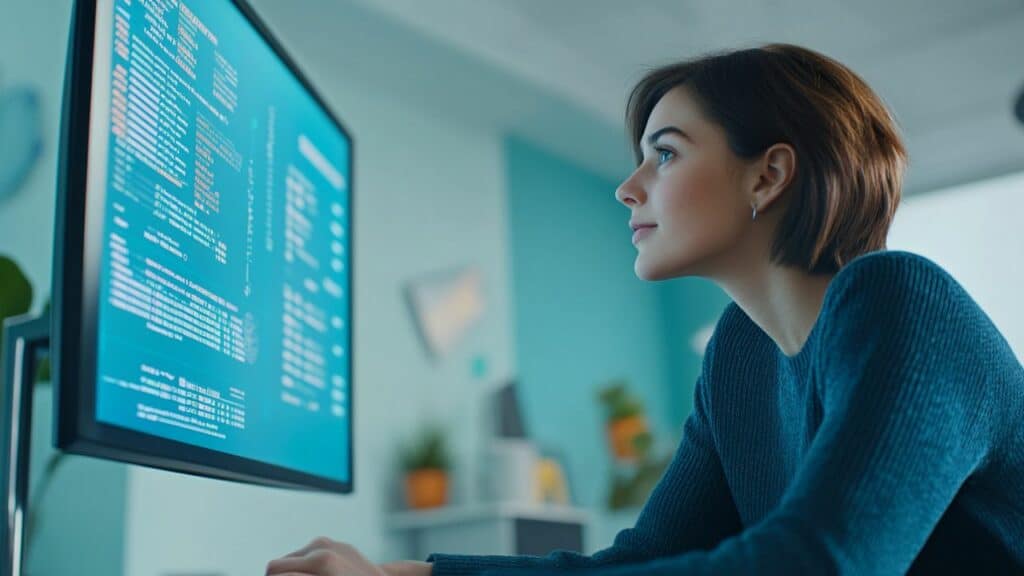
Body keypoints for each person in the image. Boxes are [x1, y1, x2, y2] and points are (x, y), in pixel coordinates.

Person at [266, 43, 1024, 576]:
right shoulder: (741, 353)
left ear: (769, 176)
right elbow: (644, 560)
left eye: (664, 153)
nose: (628, 188)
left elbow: (818, 563)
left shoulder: (899, 300)